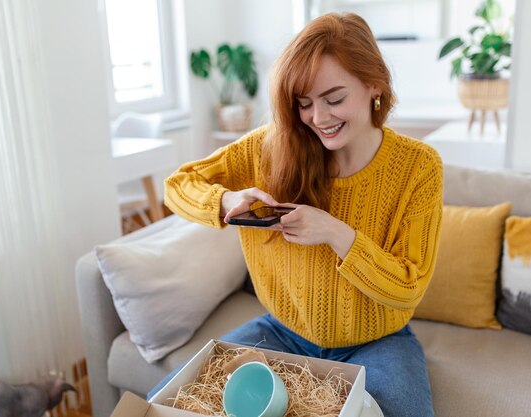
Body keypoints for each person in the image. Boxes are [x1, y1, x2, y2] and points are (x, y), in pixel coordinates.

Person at [153, 12, 443, 417]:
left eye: (334, 98)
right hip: (282, 333)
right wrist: (223, 201)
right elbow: (177, 185)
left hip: (378, 341)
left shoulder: (418, 167)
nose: (318, 119)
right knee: (164, 401)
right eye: (304, 103)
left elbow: (408, 285)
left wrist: (335, 233)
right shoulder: (269, 148)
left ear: (374, 83)